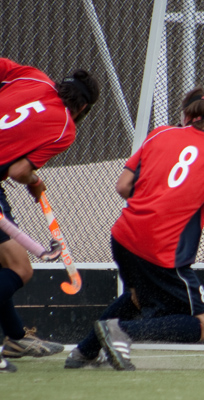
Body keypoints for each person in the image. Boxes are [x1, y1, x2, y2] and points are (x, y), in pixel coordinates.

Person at [64, 85, 204, 371]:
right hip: (163, 248)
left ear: (187, 115)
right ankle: (123, 334)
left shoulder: (160, 133)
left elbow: (123, 186)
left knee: (137, 298)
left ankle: (84, 351)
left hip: (124, 235)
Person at [0, 58, 100, 373]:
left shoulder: (33, 77)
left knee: (7, 264)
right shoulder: (64, 129)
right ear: (83, 108)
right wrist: (36, 181)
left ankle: (15, 337)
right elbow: (19, 170)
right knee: (19, 269)